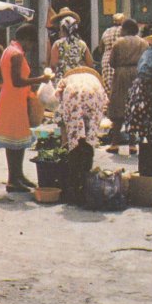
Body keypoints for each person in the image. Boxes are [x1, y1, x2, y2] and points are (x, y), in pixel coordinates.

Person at [0, 24, 53, 193]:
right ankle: (13, 179)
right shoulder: (17, 54)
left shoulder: (8, 50)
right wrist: (40, 79)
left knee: (17, 141)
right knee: (15, 142)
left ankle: (17, 176)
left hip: (9, 98)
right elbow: (17, 81)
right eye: (31, 43)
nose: (31, 47)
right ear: (26, 40)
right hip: (14, 100)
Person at [54, 67, 109, 205]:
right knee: (89, 139)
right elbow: (105, 102)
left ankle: (73, 188)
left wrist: (68, 140)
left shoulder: (65, 80)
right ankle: (86, 183)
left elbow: (60, 107)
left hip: (73, 95)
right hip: (94, 96)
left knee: (75, 141)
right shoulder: (95, 80)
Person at [107, 18, 148, 155]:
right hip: (137, 75)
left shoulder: (119, 42)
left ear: (125, 29)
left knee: (118, 107)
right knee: (134, 108)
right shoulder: (143, 43)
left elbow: (112, 62)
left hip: (121, 75)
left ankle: (114, 144)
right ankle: (132, 144)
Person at [126, 26, 152, 175]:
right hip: (148, 97)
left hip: (141, 96)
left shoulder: (150, 52)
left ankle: (147, 172)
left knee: (147, 134)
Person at [49, 10, 94, 85]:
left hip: (62, 81)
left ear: (62, 29)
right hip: (78, 81)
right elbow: (90, 64)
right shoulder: (82, 44)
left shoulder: (57, 44)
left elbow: (53, 65)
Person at [98, 13, 125, 96]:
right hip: (118, 59)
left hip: (106, 59)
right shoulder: (123, 31)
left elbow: (100, 48)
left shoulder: (106, 31)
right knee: (118, 86)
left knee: (107, 87)